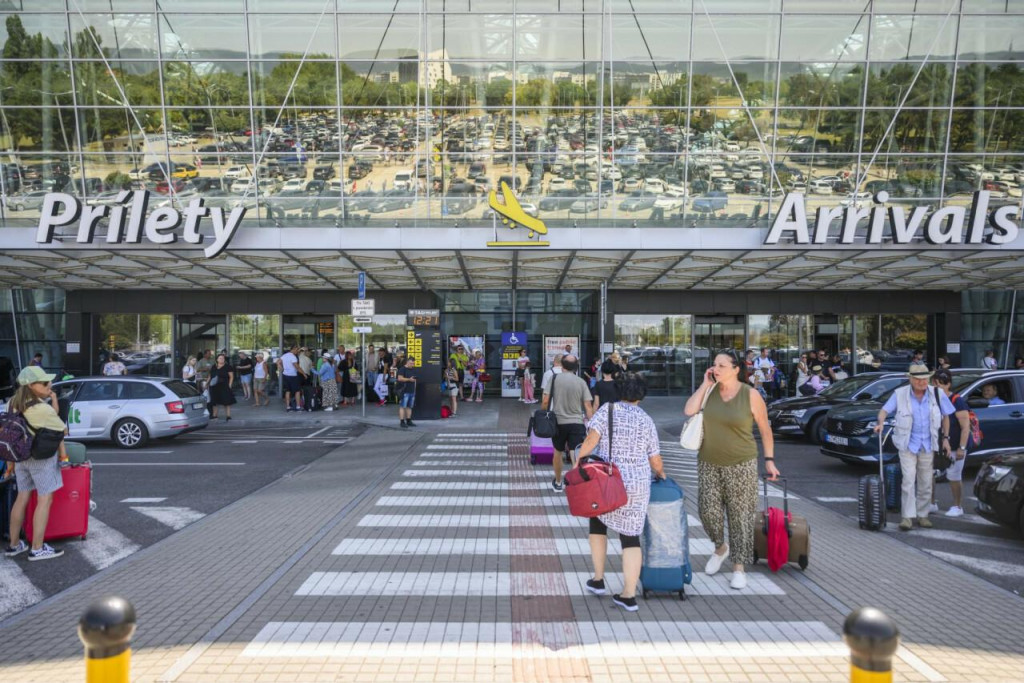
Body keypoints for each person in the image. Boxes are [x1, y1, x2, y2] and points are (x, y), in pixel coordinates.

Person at [684, 349, 779, 591]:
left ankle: (738, 567)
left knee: (741, 517)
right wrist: (705, 384)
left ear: (736, 369)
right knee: (707, 512)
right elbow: (689, 411)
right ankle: (720, 548)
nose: (716, 369)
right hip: (708, 462)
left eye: (722, 365)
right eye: (714, 364)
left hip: (742, 463)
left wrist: (769, 459)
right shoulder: (710, 391)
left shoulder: (751, 395)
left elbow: (765, 430)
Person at [578, 373, 665, 612]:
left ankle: (597, 579)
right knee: (630, 537)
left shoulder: (607, 410)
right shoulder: (646, 419)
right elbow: (655, 460)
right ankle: (628, 594)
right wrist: (661, 474)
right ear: (641, 396)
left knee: (597, 525)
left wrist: (578, 459)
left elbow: (590, 440)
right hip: (637, 485)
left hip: (607, 481)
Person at [874, 363, 954, 531]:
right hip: (907, 444)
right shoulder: (900, 394)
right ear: (910, 378)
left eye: (925, 379)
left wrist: (946, 439)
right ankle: (907, 517)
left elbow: (946, 417)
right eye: (917, 379)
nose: (922, 382)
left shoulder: (937, 394)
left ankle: (923, 515)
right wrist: (880, 423)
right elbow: (884, 411)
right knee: (908, 480)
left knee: (926, 481)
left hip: (928, 444)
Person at [4, 367, 67, 561]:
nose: (49, 385)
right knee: (44, 500)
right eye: (44, 383)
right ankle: (37, 549)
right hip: (41, 459)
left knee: (22, 498)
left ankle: (14, 545)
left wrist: (9, 465)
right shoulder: (42, 409)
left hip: (20, 457)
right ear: (31, 386)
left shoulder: (12, 403)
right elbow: (63, 431)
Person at [541, 354, 593, 492]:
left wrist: (543, 413)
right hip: (577, 422)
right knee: (575, 453)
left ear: (562, 365)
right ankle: (576, 484)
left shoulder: (554, 378)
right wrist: (592, 424)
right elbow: (588, 406)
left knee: (557, 451)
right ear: (576, 367)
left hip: (558, 422)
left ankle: (558, 483)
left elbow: (545, 400)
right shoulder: (581, 382)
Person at [933, 369, 972, 518]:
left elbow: (965, 427)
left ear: (948, 384)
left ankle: (957, 505)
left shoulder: (957, 400)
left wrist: (962, 448)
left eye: (940, 384)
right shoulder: (933, 398)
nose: (937, 387)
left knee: (954, 475)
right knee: (930, 473)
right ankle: (931, 503)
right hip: (937, 443)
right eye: (935, 384)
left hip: (956, 444)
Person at [208, 353, 236, 421]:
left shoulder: (228, 367)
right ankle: (215, 415)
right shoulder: (214, 366)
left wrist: (229, 385)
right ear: (217, 359)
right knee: (214, 402)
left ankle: (228, 416)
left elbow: (231, 377)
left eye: (223, 358)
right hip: (214, 386)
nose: (222, 359)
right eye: (220, 358)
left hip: (224, 386)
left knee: (227, 401)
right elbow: (210, 376)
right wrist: (206, 384)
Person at [278, 344, 302, 412]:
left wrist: (280, 367)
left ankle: (288, 407)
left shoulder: (285, 355)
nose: (297, 351)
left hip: (286, 375)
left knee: (287, 391)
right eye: (297, 350)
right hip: (293, 376)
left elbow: (278, 362)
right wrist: (303, 373)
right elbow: (297, 367)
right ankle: (298, 407)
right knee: (297, 391)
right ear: (294, 349)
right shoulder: (293, 357)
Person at [397, 355, 417, 428]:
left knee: (409, 407)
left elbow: (414, 380)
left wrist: (414, 390)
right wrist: (409, 379)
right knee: (402, 406)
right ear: (407, 362)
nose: (412, 365)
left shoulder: (413, 369)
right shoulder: (402, 369)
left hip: (412, 391)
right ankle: (402, 421)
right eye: (411, 363)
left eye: (413, 363)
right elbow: (399, 378)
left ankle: (409, 420)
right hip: (404, 391)